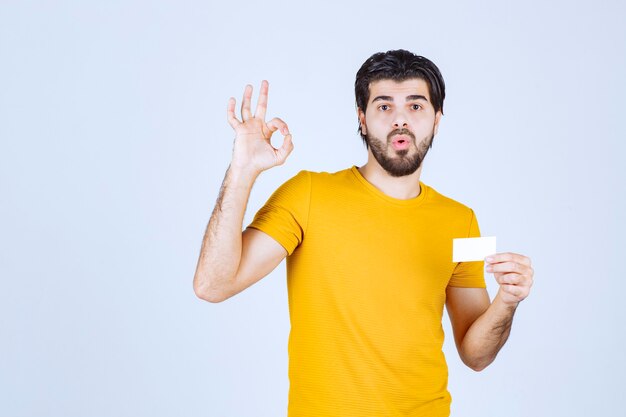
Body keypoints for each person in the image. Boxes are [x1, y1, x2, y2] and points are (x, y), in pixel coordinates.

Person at [193, 49, 534, 417]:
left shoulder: (461, 221)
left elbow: (476, 355)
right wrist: (242, 169)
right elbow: (212, 285)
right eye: (384, 106)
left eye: (416, 106)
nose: (400, 119)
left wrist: (507, 301)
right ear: (362, 119)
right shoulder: (308, 195)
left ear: (437, 120)